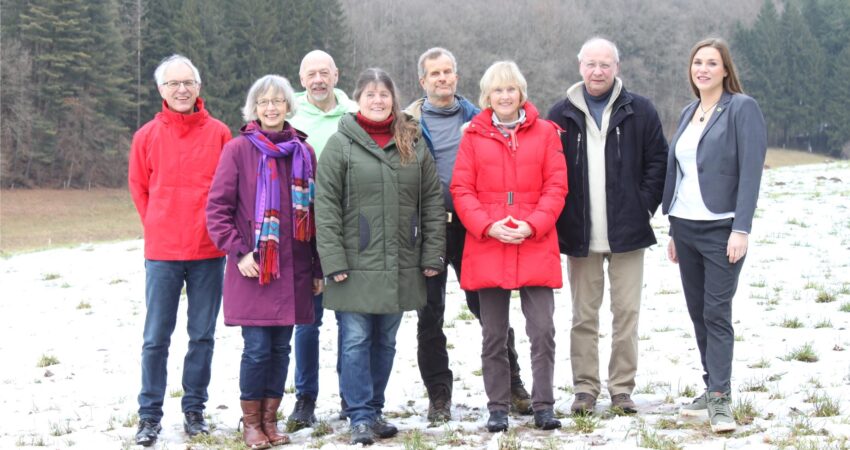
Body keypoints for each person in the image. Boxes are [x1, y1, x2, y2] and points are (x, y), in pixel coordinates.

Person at [316, 68, 446, 445]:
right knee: (355, 339)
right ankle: (358, 414)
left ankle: (374, 409)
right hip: (355, 264)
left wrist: (432, 253)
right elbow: (325, 207)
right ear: (357, 99)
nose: (377, 100)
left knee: (386, 342)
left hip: (401, 262)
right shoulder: (340, 145)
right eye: (370, 94)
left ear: (393, 98)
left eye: (384, 94)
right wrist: (333, 260)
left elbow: (432, 203)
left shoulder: (411, 140)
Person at [405, 47, 533, 422]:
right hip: (427, 228)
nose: (442, 78)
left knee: (488, 311)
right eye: (435, 74)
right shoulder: (407, 124)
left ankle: (512, 384)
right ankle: (439, 397)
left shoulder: (481, 118)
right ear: (423, 81)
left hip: (475, 228)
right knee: (430, 315)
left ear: (457, 77)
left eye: (448, 72)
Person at [547, 37, 668, 415]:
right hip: (580, 235)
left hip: (627, 234)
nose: (597, 71)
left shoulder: (641, 110)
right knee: (583, 316)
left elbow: (657, 163)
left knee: (626, 315)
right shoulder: (559, 114)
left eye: (605, 64)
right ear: (580, 66)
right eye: (591, 64)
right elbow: (547, 169)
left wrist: (641, 207)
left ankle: (621, 389)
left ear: (617, 68)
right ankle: (585, 389)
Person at [205, 75, 322, 448]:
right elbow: (217, 210)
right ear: (254, 109)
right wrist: (239, 252)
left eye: (278, 101)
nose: (271, 108)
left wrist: (317, 268)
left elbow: (315, 216)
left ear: (289, 106)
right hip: (254, 268)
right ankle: (251, 423)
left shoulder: (304, 152)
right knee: (256, 349)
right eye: (263, 102)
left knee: (282, 348)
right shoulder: (238, 150)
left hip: (294, 270)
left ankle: (271, 421)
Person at [450, 61, 567, 433]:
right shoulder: (472, 136)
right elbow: (461, 190)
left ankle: (543, 404)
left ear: (521, 93)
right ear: (487, 96)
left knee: (542, 329)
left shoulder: (546, 133)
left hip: (535, 240)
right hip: (489, 243)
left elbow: (556, 187)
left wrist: (532, 225)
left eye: (511, 89)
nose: (504, 96)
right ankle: (497, 406)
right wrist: (488, 226)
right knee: (494, 334)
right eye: (497, 90)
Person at [662, 37, 766, 433]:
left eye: (711, 63)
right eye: (697, 63)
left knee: (716, 313)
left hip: (723, 228)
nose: (702, 69)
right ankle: (711, 386)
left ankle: (721, 399)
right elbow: (684, 174)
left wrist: (741, 228)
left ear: (725, 70)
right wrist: (673, 228)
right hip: (685, 228)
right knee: (697, 313)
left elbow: (751, 171)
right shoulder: (690, 111)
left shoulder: (742, 108)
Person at [128, 54, 231, 447]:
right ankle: (149, 415)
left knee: (201, 336)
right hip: (163, 252)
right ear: (161, 90)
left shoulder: (220, 133)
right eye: (173, 84)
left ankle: (194, 409)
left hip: (208, 251)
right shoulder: (146, 136)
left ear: (199, 87)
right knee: (156, 337)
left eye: (188, 82)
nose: (181, 89)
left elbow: (229, 189)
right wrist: (158, 223)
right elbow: (139, 188)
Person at [286, 49, 358, 430]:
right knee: (307, 323)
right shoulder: (287, 114)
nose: (318, 79)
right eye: (311, 73)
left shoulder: (354, 114)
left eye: (324, 73)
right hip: (303, 231)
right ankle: (305, 398)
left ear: (336, 75)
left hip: (345, 231)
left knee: (349, 320)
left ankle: (351, 395)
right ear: (301, 79)